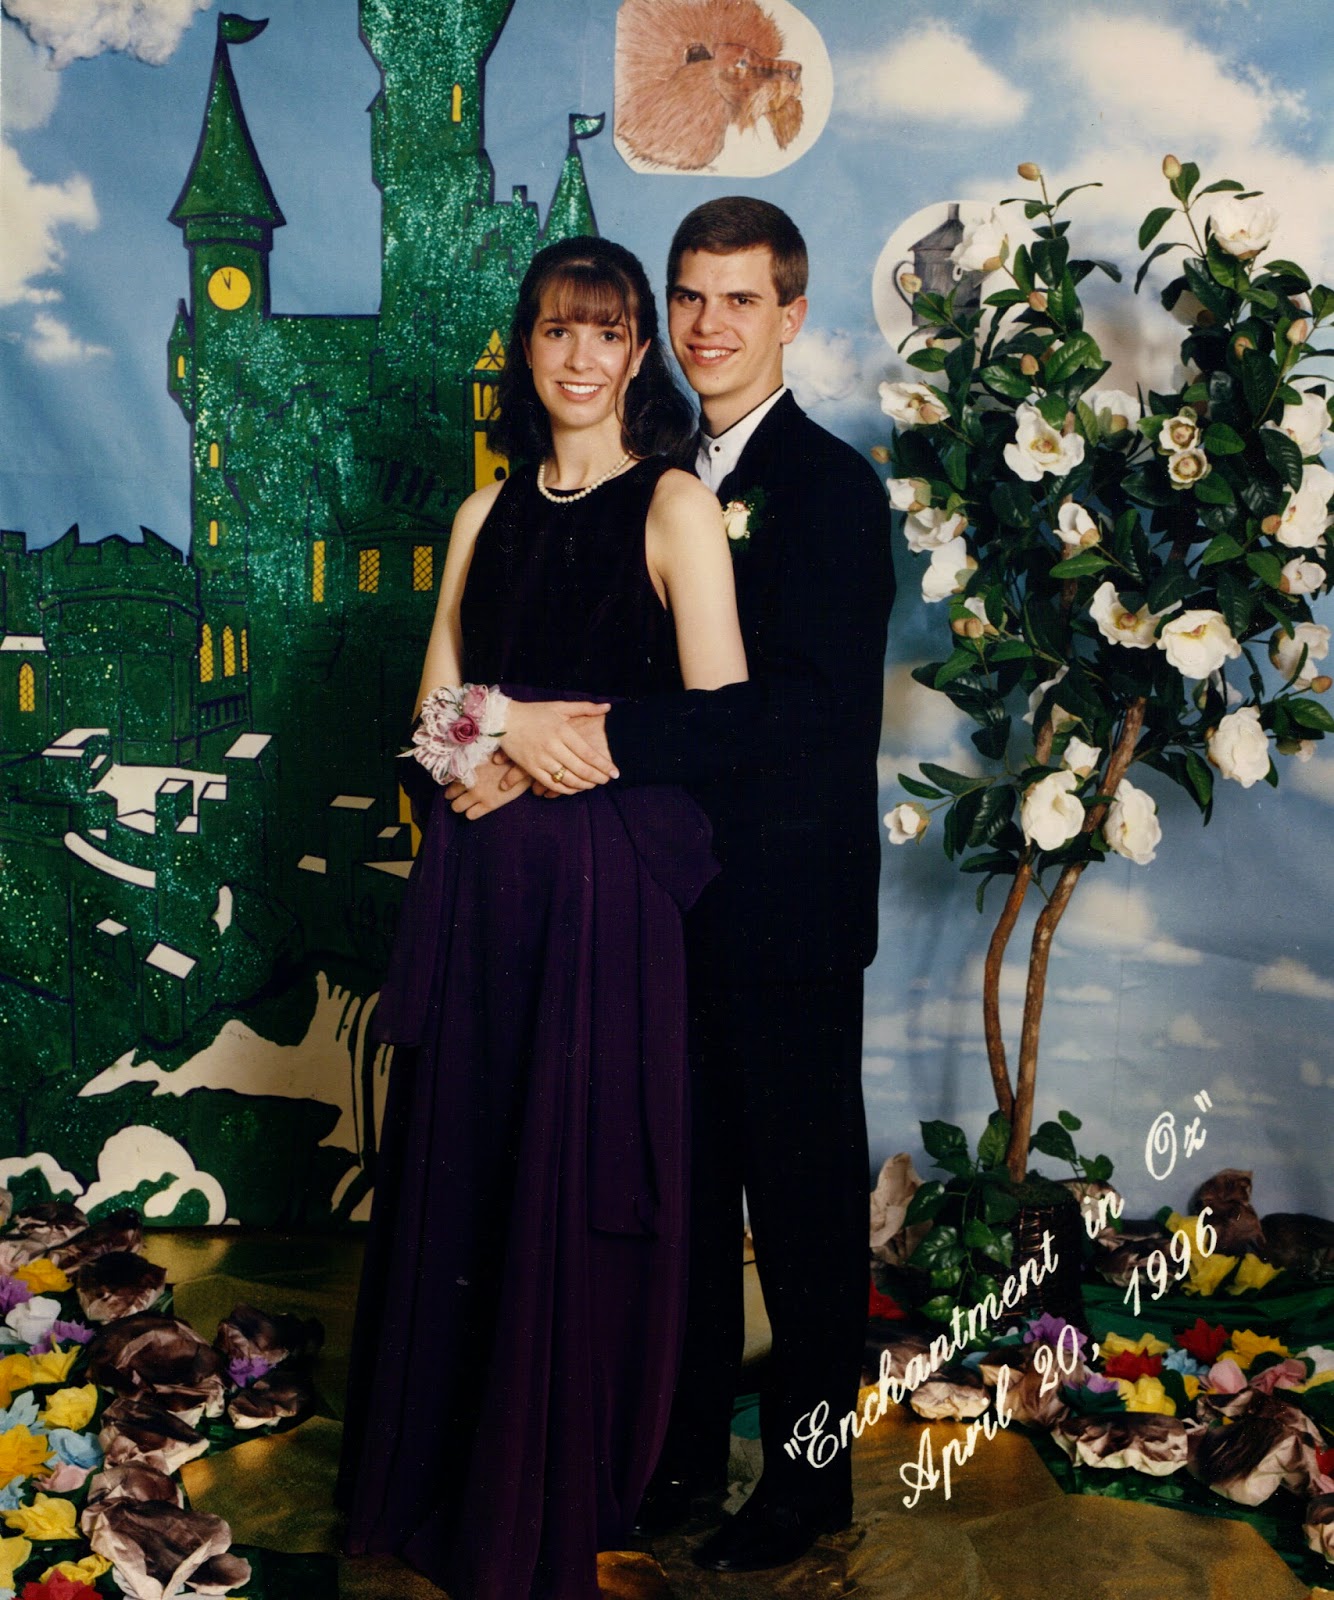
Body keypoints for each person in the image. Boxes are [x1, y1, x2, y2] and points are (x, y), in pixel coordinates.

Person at [337, 235, 747, 1600]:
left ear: (639, 356)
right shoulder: (482, 514)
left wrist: (568, 739)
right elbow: (432, 720)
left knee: (568, 1178)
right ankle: (445, 1478)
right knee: (470, 1168)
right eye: (557, 331)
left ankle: (551, 1487)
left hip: (601, 899)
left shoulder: (675, 506)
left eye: (607, 332)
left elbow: (722, 726)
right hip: (481, 885)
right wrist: (503, 732)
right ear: (526, 348)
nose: (580, 357)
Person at [490, 198, 895, 1572]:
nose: (708, 326)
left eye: (741, 300)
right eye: (689, 297)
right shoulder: (652, 475)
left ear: (792, 315)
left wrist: (596, 734)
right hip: (660, 902)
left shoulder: (829, 490)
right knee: (685, 1197)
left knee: (801, 1206)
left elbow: (808, 711)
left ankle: (808, 1484)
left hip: (784, 913)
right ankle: (678, 1454)